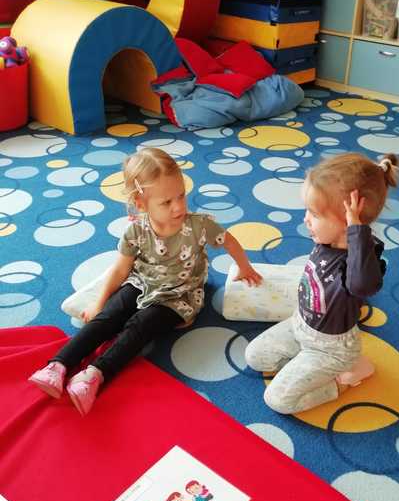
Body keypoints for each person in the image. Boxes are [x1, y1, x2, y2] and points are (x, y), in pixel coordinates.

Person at [29, 147, 262, 415]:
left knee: (140, 326)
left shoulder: (199, 225)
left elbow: (228, 240)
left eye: (181, 195)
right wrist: (98, 302)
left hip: (179, 295)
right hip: (141, 282)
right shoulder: (136, 230)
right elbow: (120, 270)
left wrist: (244, 267)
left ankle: (94, 375)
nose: (179, 206)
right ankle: (58, 365)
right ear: (141, 204)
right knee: (108, 316)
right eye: (166, 202)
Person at [245, 151, 399, 414]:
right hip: (300, 327)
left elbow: (363, 287)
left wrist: (357, 230)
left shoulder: (361, 263)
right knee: (255, 357)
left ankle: (344, 379)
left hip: (332, 350)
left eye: (315, 214)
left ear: (349, 224)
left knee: (278, 400)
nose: (306, 219)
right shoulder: (326, 240)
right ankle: (306, 367)